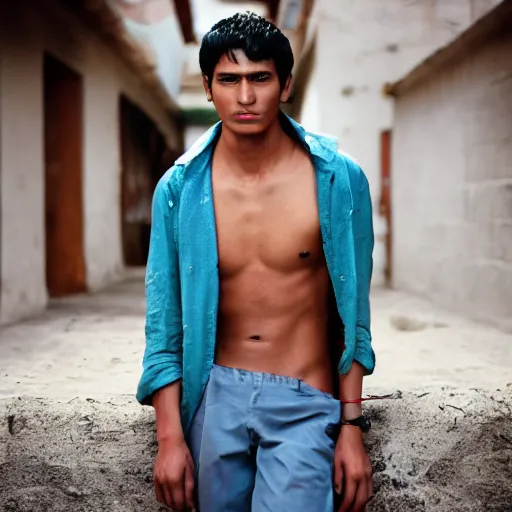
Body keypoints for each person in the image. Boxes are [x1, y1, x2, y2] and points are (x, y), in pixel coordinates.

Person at [136, 11, 375, 512]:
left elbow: (353, 316)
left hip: (305, 401)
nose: (245, 97)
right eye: (229, 80)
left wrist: (351, 427)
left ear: (285, 84)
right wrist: (169, 439)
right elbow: (165, 327)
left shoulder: (337, 180)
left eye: (260, 78)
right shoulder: (179, 190)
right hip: (213, 397)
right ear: (207, 86)